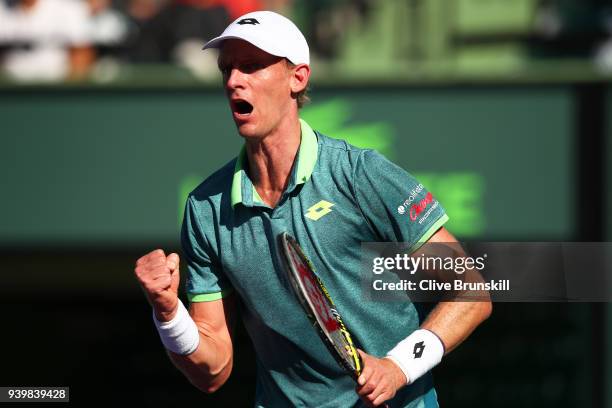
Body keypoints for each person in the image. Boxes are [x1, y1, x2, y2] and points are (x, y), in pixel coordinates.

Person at [134, 10, 492, 407]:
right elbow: (213, 371)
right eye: (228, 69)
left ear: (298, 77)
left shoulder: (361, 174)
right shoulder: (205, 209)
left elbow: (471, 291)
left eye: (252, 66)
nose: (234, 80)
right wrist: (168, 314)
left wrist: (398, 367)